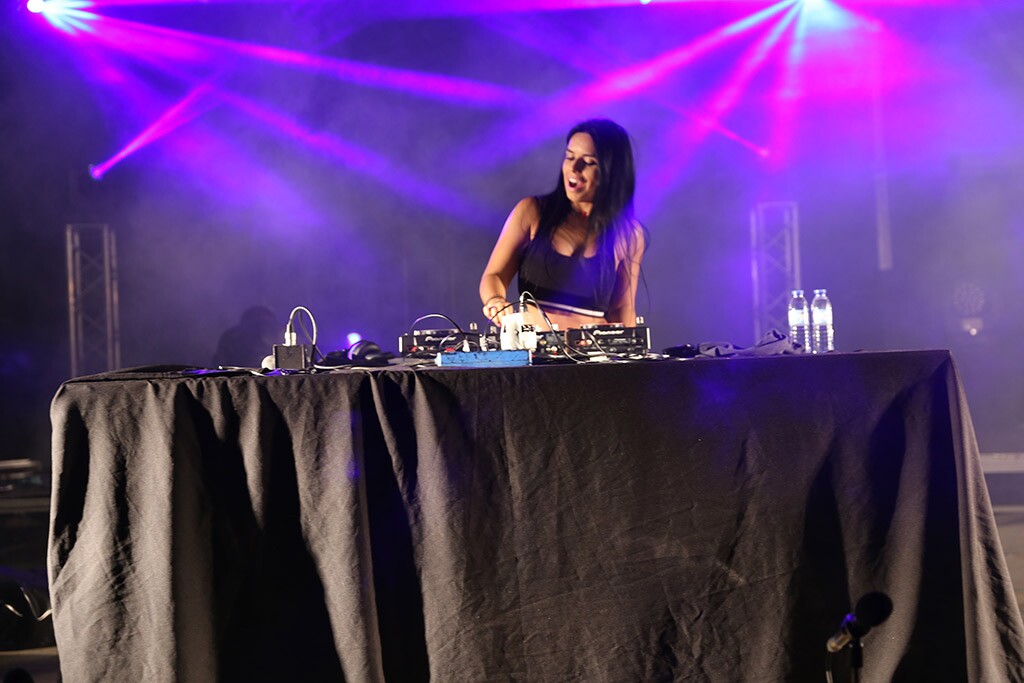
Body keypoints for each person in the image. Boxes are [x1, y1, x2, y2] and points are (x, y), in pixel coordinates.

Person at [479, 119, 647, 331]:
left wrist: (628, 346)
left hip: (593, 351)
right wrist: (495, 300)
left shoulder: (629, 234)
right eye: (569, 157)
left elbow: (623, 308)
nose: (574, 168)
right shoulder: (531, 211)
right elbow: (494, 275)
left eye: (589, 162)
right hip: (533, 348)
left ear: (612, 171)